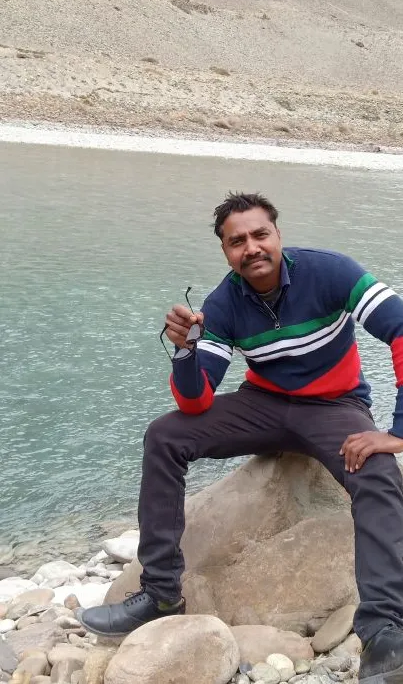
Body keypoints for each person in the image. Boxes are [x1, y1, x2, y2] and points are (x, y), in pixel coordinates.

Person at [77, 192, 403, 683]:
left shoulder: (332, 272)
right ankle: (162, 592)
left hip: (335, 406)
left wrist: (396, 433)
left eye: (259, 234)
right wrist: (185, 352)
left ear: (277, 235)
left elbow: (400, 329)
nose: (251, 248)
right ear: (226, 252)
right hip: (264, 404)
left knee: (375, 469)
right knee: (165, 436)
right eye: (237, 242)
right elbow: (196, 403)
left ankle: (383, 630)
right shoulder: (223, 303)